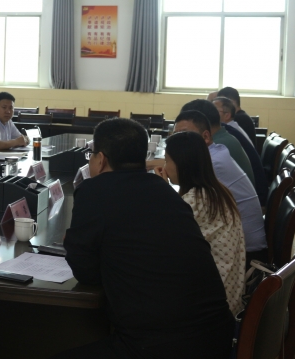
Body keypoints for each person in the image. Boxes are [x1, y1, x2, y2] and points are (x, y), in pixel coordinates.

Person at [57, 118, 234, 359]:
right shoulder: (167, 192)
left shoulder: (93, 191)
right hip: (216, 337)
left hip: (157, 346)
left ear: (101, 159)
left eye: (92, 155)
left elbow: (86, 273)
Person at [155, 131, 245, 316]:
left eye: (167, 160)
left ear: (182, 163)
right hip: (229, 297)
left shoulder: (196, 199)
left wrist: (164, 193)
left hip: (212, 306)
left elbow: (163, 238)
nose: (165, 166)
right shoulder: (215, 191)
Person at [174, 110, 267, 264]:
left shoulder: (212, 163)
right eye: (175, 136)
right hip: (238, 244)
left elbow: (182, 208)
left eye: (185, 135)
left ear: (206, 136)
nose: (178, 143)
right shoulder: (216, 151)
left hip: (246, 255)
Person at [181, 99, 255, 188]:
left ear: (201, 123)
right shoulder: (222, 135)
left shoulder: (219, 145)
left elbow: (191, 181)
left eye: (184, 131)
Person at [213, 96, 268, 204]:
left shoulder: (227, 135)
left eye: (214, 110)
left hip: (255, 197)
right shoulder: (231, 129)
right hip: (253, 193)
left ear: (227, 115)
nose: (210, 114)